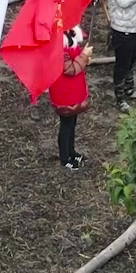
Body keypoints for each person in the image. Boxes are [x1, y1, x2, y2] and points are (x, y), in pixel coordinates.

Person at [50, 25, 92, 170]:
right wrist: (84, 56)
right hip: (64, 91)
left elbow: (76, 58)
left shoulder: (70, 36)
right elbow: (69, 69)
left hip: (73, 89)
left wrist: (84, 58)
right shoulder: (58, 43)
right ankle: (64, 157)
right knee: (66, 125)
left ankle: (71, 151)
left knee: (72, 122)